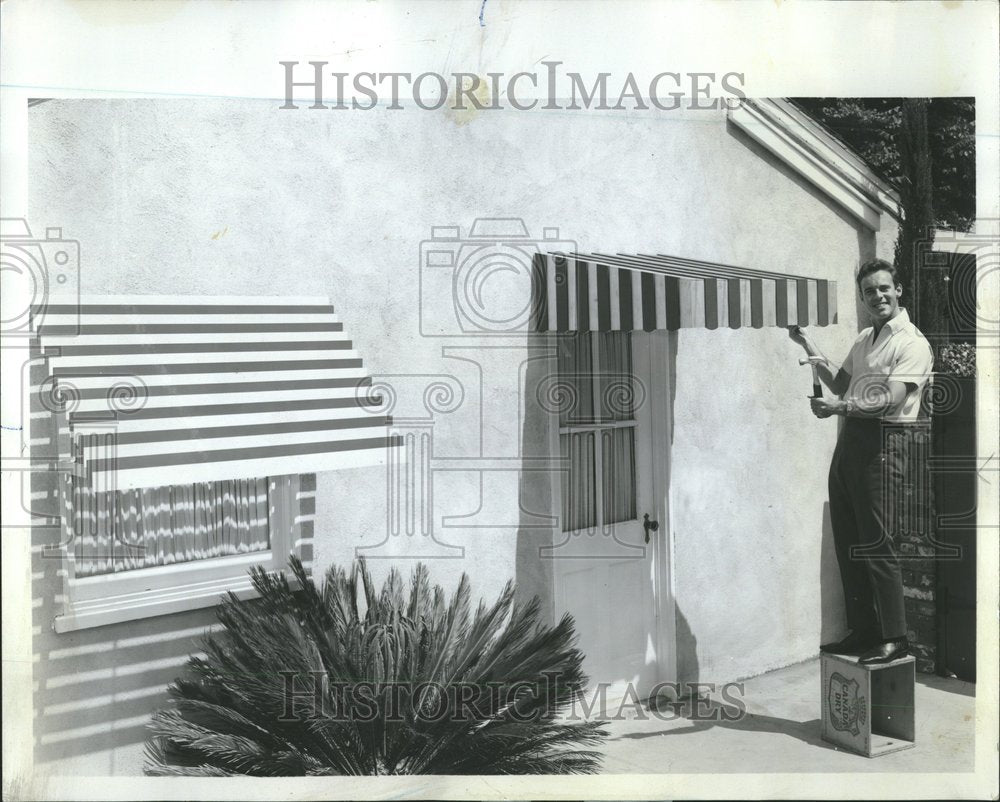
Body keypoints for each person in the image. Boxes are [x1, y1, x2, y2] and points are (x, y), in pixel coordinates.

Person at [789, 258, 934, 665]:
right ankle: (864, 631)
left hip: (885, 442)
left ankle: (896, 638)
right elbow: (841, 382)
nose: (878, 296)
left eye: (884, 288)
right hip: (852, 443)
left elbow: (890, 398)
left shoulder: (912, 343)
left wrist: (838, 407)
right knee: (850, 541)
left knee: (877, 543)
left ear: (898, 289)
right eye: (869, 291)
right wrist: (808, 345)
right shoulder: (866, 338)